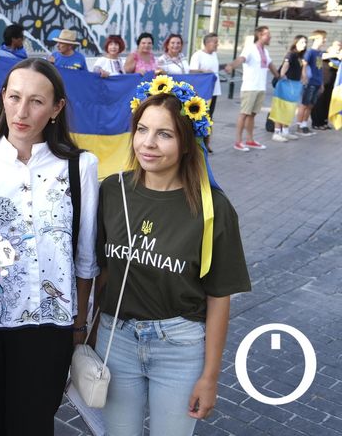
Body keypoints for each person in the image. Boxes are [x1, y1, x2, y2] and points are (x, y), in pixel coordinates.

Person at [0, 58, 99, 435]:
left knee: (33, 423)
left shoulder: (80, 167)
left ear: (56, 108)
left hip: (50, 325)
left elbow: (84, 258)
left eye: (36, 101)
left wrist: (79, 326)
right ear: (3, 98)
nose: (22, 111)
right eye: (14, 97)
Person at [94, 77, 251, 436]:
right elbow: (102, 271)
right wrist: (88, 335)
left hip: (179, 348)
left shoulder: (213, 207)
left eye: (164, 134)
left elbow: (219, 297)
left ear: (186, 143)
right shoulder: (111, 191)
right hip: (115, 341)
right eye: (142, 130)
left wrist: (210, 377)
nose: (148, 143)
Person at [225, 26, 279, 152]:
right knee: (244, 114)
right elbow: (241, 59)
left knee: (252, 115)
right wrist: (231, 66)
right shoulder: (250, 49)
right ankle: (238, 142)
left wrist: (279, 76)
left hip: (260, 87)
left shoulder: (265, 51)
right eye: (267, 34)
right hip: (250, 87)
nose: (270, 37)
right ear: (260, 35)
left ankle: (250, 140)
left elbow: (270, 64)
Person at [269, 35, 308, 142]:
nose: (304, 45)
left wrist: (303, 78)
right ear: (295, 43)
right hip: (286, 84)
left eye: (305, 42)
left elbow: (301, 69)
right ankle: (277, 132)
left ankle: (285, 131)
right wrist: (281, 75)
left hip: (294, 85)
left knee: (290, 108)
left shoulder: (300, 56)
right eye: (301, 42)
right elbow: (286, 64)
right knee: (281, 107)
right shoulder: (291, 54)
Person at [189, 33, 221, 152]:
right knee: (199, 116)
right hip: (202, 91)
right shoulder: (198, 55)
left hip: (214, 91)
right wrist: (203, 71)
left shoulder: (215, 55)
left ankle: (206, 143)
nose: (217, 44)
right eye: (215, 42)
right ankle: (196, 143)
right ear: (207, 43)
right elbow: (192, 71)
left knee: (209, 117)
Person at [297, 30, 326, 136]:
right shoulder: (310, 52)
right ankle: (299, 126)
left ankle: (304, 125)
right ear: (317, 39)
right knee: (304, 105)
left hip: (317, 82)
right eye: (323, 38)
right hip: (310, 82)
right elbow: (304, 64)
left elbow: (320, 69)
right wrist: (304, 77)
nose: (325, 40)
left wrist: (321, 83)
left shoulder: (319, 53)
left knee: (310, 105)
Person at [312, 40, 341, 130]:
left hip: (332, 84)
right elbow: (319, 60)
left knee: (327, 103)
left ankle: (324, 122)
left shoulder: (338, 59)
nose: (338, 47)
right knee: (319, 102)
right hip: (321, 82)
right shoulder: (325, 54)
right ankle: (316, 123)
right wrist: (335, 54)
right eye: (336, 45)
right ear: (330, 47)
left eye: (339, 46)